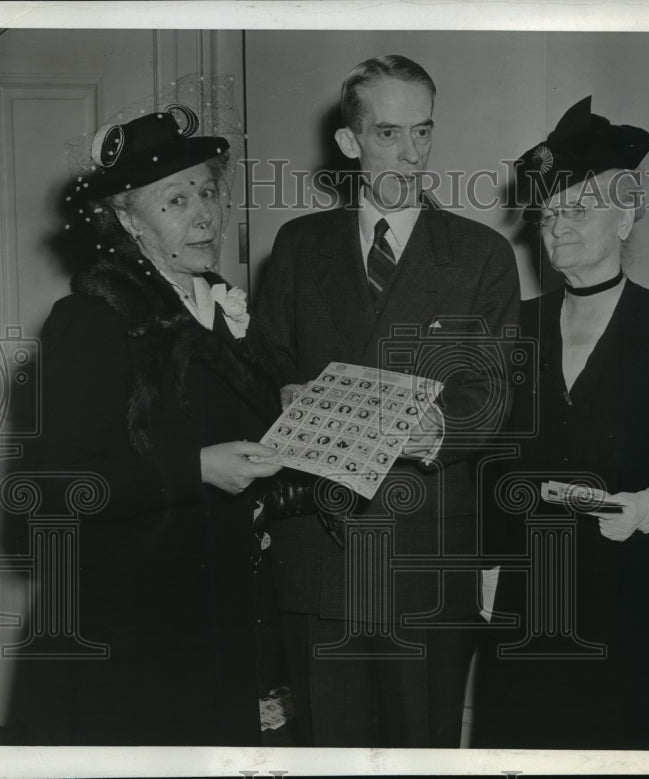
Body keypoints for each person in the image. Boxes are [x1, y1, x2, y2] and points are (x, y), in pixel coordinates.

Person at [256, 55, 520, 747]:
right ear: (350, 142)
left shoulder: (481, 254)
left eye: (423, 133)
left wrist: (429, 429)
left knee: (421, 750)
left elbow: (495, 396)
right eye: (388, 134)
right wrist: (279, 394)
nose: (411, 154)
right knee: (326, 753)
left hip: (425, 558)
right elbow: (263, 363)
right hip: (319, 558)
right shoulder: (296, 246)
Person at [3, 108, 287, 745]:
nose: (204, 214)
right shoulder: (91, 320)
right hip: (129, 630)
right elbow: (53, 488)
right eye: (175, 199)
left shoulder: (219, 307)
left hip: (215, 622)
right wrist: (196, 470)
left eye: (208, 191)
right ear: (127, 220)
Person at [472, 97, 649, 749]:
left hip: (638, 610)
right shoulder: (513, 328)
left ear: (629, 214)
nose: (558, 227)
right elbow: (491, 461)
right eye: (549, 214)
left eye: (579, 208)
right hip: (529, 611)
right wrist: (491, 568)